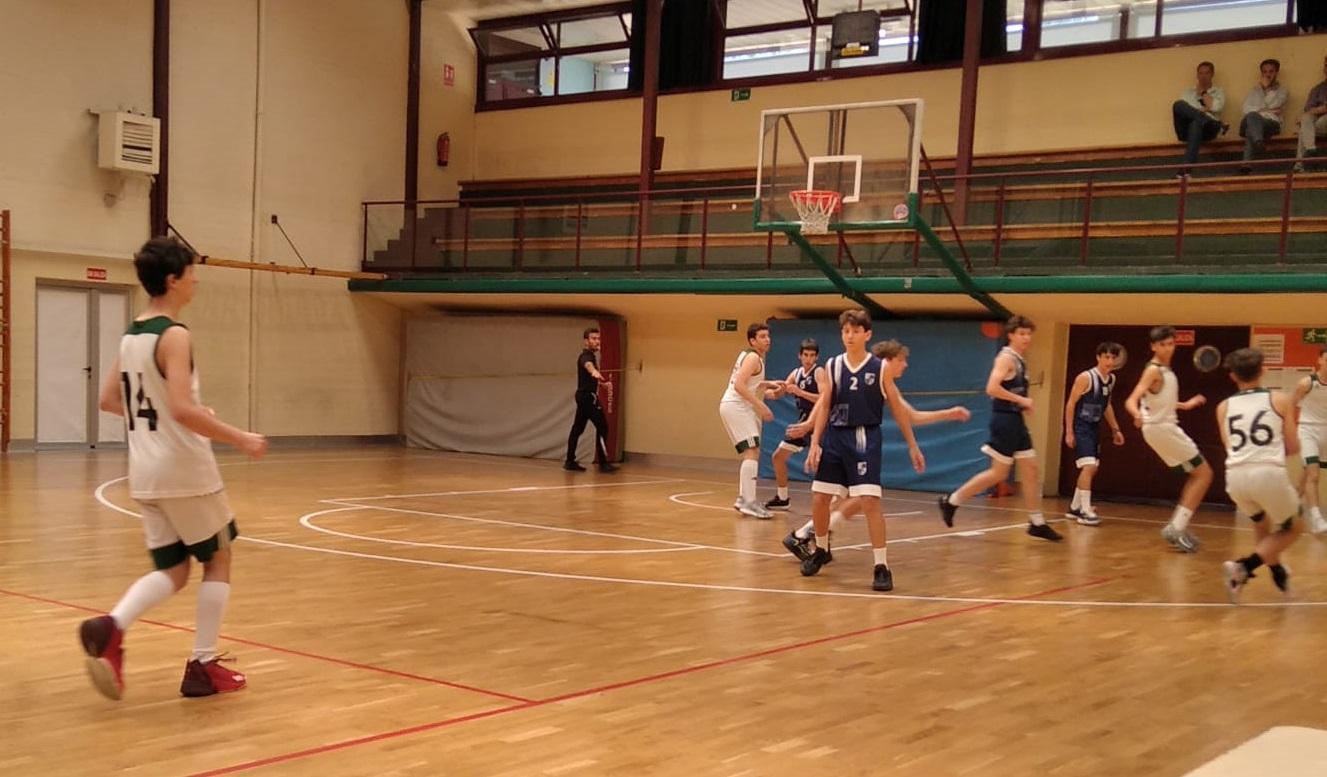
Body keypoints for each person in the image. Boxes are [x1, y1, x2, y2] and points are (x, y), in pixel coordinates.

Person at [79, 237, 268, 701]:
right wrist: (238, 436)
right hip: (185, 470)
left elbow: (109, 400)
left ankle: (112, 626)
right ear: (172, 279)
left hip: (144, 471)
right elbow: (183, 409)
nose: (196, 278)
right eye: (190, 271)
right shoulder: (175, 334)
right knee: (219, 558)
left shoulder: (132, 335)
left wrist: (169, 415)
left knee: (176, 571)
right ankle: (202, 665)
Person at [782, 339, 970, 563]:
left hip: (854, 440)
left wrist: (949, 413)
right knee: (844, 495)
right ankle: (805, 534)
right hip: (838, 436)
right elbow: (825, 401)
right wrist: (810, 427)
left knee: (857, 495)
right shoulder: (851, 372)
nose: (905, 365)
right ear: (888, 361)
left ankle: (810, 533)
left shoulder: (882, 380)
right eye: (902, 360)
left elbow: (912, 416)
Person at [799, 311, 924, 591]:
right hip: (835, 436)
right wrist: (815, 441)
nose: (849, 335)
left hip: (864, 436)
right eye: (845, 331)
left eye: (855, 331)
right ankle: (821, 550)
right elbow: (825, 405)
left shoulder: (879, 367)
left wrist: (912, 444)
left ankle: (881, 566)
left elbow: (899, 410)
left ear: (867, 335)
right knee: (820, 497)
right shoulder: (832, 365)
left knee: (869, 501)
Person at [937, 315, 1063, 542]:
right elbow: (991, 388)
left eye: (1029, 334)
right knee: (998, 473)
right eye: (1022, 334)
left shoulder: (1020, 359)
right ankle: (952, 500)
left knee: (1031, 469)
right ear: (1011, 335)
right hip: (1004, 421)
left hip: (1015, 420)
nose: (1026, 338)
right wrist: (1022, 400)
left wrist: (1021, 404)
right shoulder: (1005, 358)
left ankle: (1036, 522)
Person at [1216, 348, 1303, 602]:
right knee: (1295, 526)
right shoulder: (1280, 399)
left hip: (1235, 477)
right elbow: (1294, 446)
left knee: (1262, 524)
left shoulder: (1223, 407)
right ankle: (1244, 566)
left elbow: (1229, 446)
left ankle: (1277, 573)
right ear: (1263, 370)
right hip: (1266, 472)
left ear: (1233, 376)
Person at [1123, 325, 1211, 552]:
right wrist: (1137, 414)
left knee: (1197, 473)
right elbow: (1131, 399)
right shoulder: (1153, 370)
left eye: (1171, 344)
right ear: (1153, 346)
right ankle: (1176, 527)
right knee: (1205, 474)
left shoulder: (1166, 371)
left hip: (1162, 427)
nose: (1167, 348)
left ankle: (1177, 525)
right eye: (1162, 344)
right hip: (1161, 429)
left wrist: (1186, 404)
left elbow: (1160, 402)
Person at [718, 323, 784, 519]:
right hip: (736, 406)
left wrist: (767, 384)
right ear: (752, 341)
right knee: (752, 451)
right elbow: (739, 385)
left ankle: (743, 499)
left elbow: (748, 382)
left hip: (735, 406)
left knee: (752, 451)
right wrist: (761, 406)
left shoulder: (751, 356)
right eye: (762, 336)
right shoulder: (753, 357)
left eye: (768, 335)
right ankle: (748, 501)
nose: (767, 339)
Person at [1063, 342, 1126, 526]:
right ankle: (1085, 510)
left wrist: (1116, 429)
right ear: (1098, 357)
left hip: (1094, 427)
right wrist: (1068, 431)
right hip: (1081, 426)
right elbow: (1070, 404)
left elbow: (1107, 406)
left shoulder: (1111, 380)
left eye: (1113, 358)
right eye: (1106, 357)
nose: (1110, 361)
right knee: (1089, 466)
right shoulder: (1086, 377)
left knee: (1092, 468)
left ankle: (1075, 507)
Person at [765, 338, 826, 512]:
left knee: (824, 463)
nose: (809, 359)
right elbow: (778, 393)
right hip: (802, 422)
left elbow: (824, 398)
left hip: (819, 422)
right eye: (806, 355)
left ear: (816, 357)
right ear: (799, 356)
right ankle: (783, 498)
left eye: (812, 355)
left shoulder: (819, 372)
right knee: (778, 457)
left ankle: (832, 498)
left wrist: (800, 392)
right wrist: (760, 391)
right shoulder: (796, 373)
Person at [564, 327, 617, 473]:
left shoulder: (590, 356)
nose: (597, 341)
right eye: (593, 339)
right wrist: (593, 371)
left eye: (598, 339)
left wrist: (601, 384)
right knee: (603, 427)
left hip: (583, 396)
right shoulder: (586, 356)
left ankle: (569, 461)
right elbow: (588, 366)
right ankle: (603, 463)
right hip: (588, 398)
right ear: (586, 341)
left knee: (577, 429)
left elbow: (589, 377)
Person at [1290, 345, 1327, 534]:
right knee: (1314, 474)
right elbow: (1291, 406)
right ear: (1320, 360)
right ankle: (1316, 518)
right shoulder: (1307, 383)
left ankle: (1292, 507)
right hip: (1308, 430)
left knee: (1306, 474)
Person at [1172, 61, 1227, 174]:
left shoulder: (1218, 92)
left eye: (1207, 73)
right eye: (1201, 73)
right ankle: (1206, 119)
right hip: (1186, 130)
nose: (1203, 76)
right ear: (1197, 75)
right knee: (1178, 104)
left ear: (1212, 75)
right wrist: (1205, 112)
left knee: (1196, 123)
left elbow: (1216, 108)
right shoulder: (1188, 92)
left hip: (1208, 130)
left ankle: (1186, 171)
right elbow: (1183, 111)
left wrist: (1203, 93)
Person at [1239, 58, 1288, 173]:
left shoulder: (1283, 91)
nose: (1268, 75)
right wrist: (1265, 109)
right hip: (1252, 121)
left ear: (1276, 73)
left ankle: (1246, 164)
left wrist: (1266, 89)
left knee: (1250, 129)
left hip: (1271, 124)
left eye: (1271, 71)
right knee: (1252, 116)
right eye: (1265, 72)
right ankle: (1258, 142)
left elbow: (1277, 103)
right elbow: (1246, 109)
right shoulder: (1254, 90)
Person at [1294, 55, 1327, 173]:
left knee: (1305, 124)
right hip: (1319, 124)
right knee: (1306, 121)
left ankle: (1299, 165)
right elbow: (1308, 110)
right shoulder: (1317, 89)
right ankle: (1311, 149)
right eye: (1326, 66)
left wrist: (1321, 109)